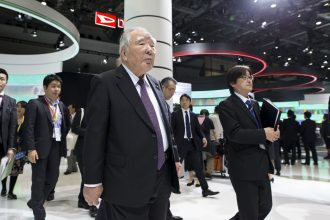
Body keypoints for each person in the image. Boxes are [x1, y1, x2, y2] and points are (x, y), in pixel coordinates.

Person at [83, 27, 180, 220]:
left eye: (153, 46)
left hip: (161, 180)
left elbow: (163, 127)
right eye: (142, 43)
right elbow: (95, 136)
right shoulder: (105, 83)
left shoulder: (154, 83)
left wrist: (174, 157)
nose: (150, 49)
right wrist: (92, 182)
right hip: (125, 183)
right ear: (124, 53)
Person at [218, 65, 279, 220]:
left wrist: (272, 133)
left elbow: (263, 131)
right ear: (232, 83)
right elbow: (234, 134)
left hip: (261, 164)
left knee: (265, 206)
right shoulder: (226, 106)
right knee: (249, 212)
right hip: (242, 166)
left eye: (250, 77)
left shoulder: (255, 104)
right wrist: (263, 133)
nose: (249, 80)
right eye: (244, 77)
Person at [23, 74, 70, 220]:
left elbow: (65, 126)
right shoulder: (35, 103)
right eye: (53, 86)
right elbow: (28, 127)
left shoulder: (61, 105)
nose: (56, 89)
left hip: (56, 147)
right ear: (45, 88)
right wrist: (31, 148)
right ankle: (39, 212)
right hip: (39, 149)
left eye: (58, 86)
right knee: (38, 180)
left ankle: (34, 201)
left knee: (53, 178)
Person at [172, 93, 219, 197]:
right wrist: (173, 142)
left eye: (186, 100)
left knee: (198, 167)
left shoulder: (194, 115)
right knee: (176, 167)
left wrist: (203, 137)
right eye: (182, 100)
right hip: (180, 145)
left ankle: (205, 189)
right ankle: (174, 187)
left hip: (192, 144)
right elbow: (171, 130)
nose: (184, 102)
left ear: (189, 102)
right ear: (180, 102)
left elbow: (198, 129)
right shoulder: (175, 114)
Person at [161, 77, 183, 220]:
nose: (171, 93)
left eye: (174, 91)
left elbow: (170, 135)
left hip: (167, 154)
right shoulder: (152, 104)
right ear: (162, 87)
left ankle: (166, 214)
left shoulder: (166, 106)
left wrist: (175, 158)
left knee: (165, 187)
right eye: (170, 89)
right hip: (154, 155)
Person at [71, 107, 98, 218]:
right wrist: (90, 132)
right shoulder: (81, 111)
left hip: (97, 150)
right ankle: (90, 203)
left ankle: (82, 200)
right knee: (87, 175)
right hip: (82, 149)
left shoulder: (103, 111)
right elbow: (74, 128)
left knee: (89, 175)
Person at [1, 101, 27, 199]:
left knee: (15, 170)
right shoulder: (10, 119)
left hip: (20, 150)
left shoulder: (27, 120)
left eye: (21, 107)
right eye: (17, 106)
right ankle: (3, 188)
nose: (19, 109)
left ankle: (11, 192)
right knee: (5, 167)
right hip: (8, 147)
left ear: (26, 109)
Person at [0, 68, 17, 197]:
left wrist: (11, 147)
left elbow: (12, 127)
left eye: (2, 79)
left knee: (3, 169)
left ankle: (4, 188)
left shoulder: (11, 101)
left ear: (6, 82)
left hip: (3, 144)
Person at [64, 104, 78, 175]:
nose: (68, 110)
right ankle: (73, 167)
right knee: (70, 153)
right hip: (70, 138)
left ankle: (70, 168)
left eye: (69, 109)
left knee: (71, 153)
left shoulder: (77, 116)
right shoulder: (70, 116)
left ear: (73, 109)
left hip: (75, 137)